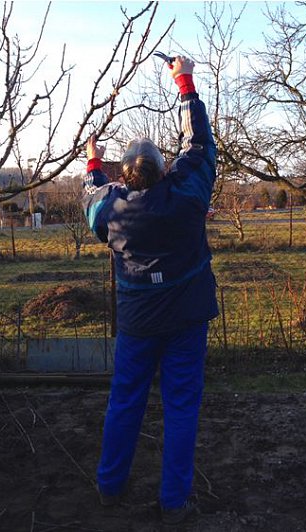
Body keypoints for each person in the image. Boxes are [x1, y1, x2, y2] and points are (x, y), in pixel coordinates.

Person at [83, 55, 217, 524]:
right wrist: (184, 82)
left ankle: (109, 486)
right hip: (186, 318)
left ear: (125, 179)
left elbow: (93, 198)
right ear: (165, 170)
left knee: (125, 401)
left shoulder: (112, 210)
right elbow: (198, 144)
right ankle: (175, 502)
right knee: (181, 407)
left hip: (139, 323)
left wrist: (93, 163)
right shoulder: (188, 194)